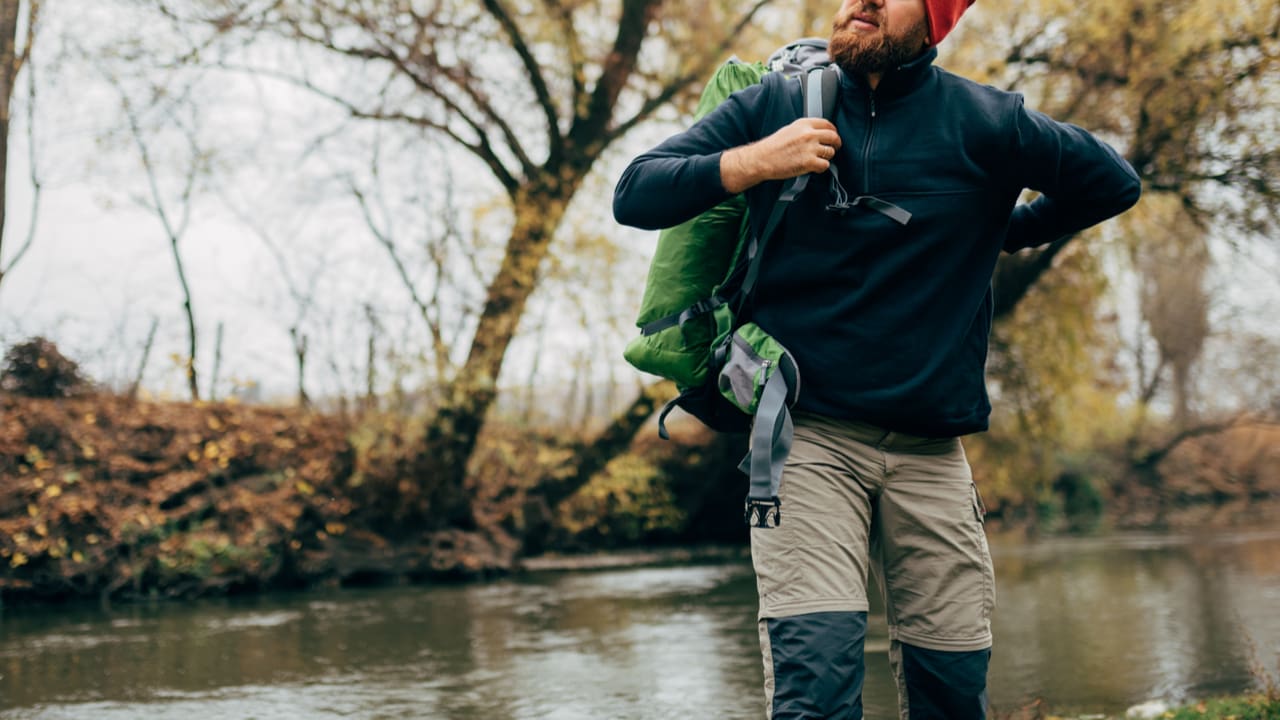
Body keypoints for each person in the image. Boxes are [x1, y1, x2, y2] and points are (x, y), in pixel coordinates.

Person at [614, 0, 1142, 717]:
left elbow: (1113, 182)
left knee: (952, 693)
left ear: (936, 20)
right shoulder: (778, 103)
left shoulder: (989, 121)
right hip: (806, 442)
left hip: (932, 454)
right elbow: (636, 191)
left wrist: (1002, 231)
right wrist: (752, 162)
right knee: (817, 694)